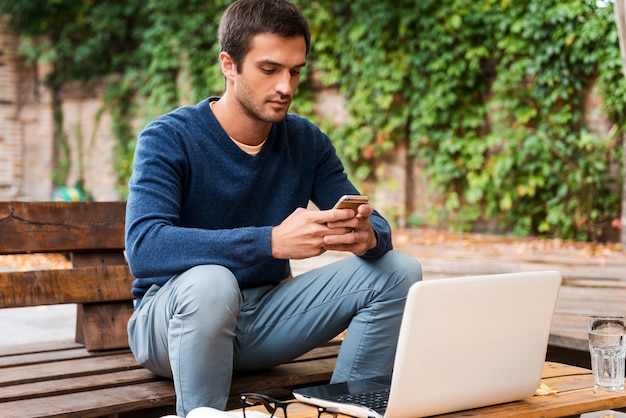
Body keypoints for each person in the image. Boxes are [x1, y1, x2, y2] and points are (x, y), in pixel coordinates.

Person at [124, 0, 422, 415]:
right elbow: (145, 248)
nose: (286, 85)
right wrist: (271, 241)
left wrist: (367, 235)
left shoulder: (305, 140)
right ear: (229, 65)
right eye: (270, 70)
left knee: (399, 271)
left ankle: (348, 410)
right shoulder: (169, 137)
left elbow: (378, 226)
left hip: (262, 319)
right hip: (174, 323)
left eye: (295, 71)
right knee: (213, 282)